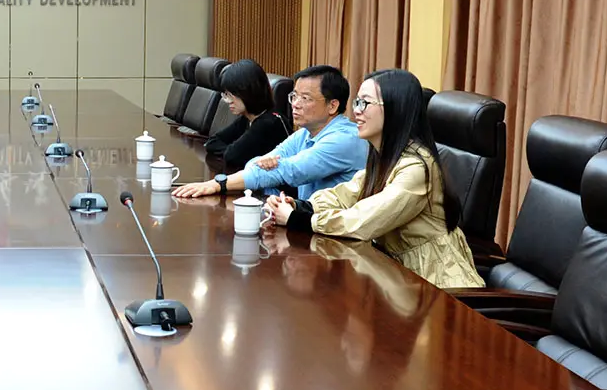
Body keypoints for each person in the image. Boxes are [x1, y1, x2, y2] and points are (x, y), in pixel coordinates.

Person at [262, 68, 483, 289]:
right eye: (357, 102)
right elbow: (346, 194)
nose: (356, 111)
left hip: (438, 286)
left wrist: (298, 219)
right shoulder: (385, 156)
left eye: (365, 103)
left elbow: (364, 220)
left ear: (395, 109)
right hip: (395, 277)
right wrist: (300, 206)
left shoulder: (416, 167)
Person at [175, 64, 368, 200]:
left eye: (305, 98)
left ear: (332, 106)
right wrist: (266, 164)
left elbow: (290, 171)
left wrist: (217, 184)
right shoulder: (305, 133)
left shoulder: (345, 139)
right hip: (309, 220)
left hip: (337, 236)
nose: (295, 104)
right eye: (294, 96)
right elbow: (255, 164)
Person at [200, 58, 288, 174]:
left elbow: (232, 156)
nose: (228, 101)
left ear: (248, 92)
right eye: (226, 94)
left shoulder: (268, 123)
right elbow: (212, 142)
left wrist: (230, 151)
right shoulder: (247, 118)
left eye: (231, 94)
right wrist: (229, 151)